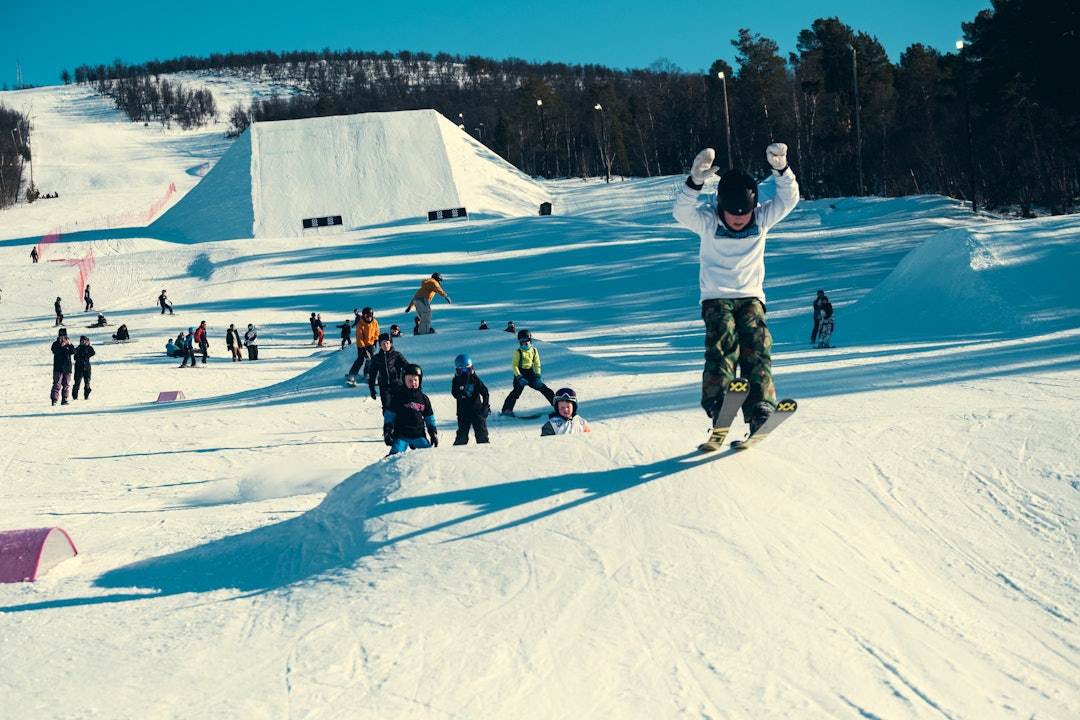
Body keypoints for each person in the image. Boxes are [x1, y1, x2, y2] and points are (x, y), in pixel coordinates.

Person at [673, 142, 800, 438]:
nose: (740, 220)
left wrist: (781, 170)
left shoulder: (762, 218)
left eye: (745, 214)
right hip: (716, 297)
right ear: (720, 206)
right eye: (732, 215)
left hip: (751, 296)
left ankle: (759, 408)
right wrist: (695, 181)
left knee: (757, 344)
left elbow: (789, 199)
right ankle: (718, 402)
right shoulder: (707, 221)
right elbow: (681, 213)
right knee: (723, 339)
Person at [383, 363, 438, 455]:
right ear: (404, 381)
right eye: (410, 380)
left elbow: (429, 417)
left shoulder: (423, 399)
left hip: (418, 435)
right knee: (394, 456)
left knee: (429, 455)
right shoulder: (398, 397)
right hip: (401, 435)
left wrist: (433, 432)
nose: (413, 383)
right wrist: (387, 430)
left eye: (415, 380)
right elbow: (389, 415)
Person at [500, 328, 556, 416]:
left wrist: (538, 376)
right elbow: (514, 366)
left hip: (530, 373)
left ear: (530, 340)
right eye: (523, 340)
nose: (525, 343)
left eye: (527, 340)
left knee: (544, 388)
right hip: (520, 374)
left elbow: (537, 364)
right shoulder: (518, 352)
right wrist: (519, 377)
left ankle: (557, 405)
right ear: (519, 341)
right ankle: (506, 410)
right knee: (516, 392)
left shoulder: (534, 350)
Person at [451, 353, 490, 445]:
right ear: (457, 370)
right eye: (462, 371)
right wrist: (461, 390)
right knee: (462, 436)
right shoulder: (456, 380)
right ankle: (457, 454)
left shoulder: (474, 379)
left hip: (477, 411)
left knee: (482, 435)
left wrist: (485, 405)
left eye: (468, 370)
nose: (465, 373)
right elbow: (454, 393)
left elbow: (485, 392)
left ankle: (486, 453)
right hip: (463, 412)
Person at [368, 332, 409, 409]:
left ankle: (399, 421)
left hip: (397, 384)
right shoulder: (377, 358)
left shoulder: (397, 355)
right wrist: (372, 389)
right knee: (386, 406)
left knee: (400, 405)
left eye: (387, 343)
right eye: (383, 344)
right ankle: (388, 421)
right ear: (380, 345)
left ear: (391, 343)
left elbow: (406, 366)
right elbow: (372, 373)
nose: (386, 345)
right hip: (384, 386)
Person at [347, 307, 379, 384]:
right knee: (360, 359)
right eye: (366, 316)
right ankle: (352, 374)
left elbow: (377, 332)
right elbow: (359, 338)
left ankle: (367, 374)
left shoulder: (374, 322)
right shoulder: (360, 324)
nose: (368, 318)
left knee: (370, 359)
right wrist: (363, 349)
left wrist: (375, 341)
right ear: (363, 316)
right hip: (362, 345)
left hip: (370, 344)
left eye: (370, 315)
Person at [50, 330, 75, 405]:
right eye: (61, 337)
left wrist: (69, 345)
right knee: (57, 384)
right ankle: (54, 399)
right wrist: (61, 346)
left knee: (66, 384)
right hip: (58, 367)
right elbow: (55, 351)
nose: (62, 338)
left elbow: (73, 352)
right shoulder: (55, 344)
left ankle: (65, 399)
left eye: (64, 337)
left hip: (67, 368)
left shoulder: (68, 344)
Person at [72, 335, 95, 400]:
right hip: (79, 367)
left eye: (84, 341)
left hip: (87, 367)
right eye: (82, 341)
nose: (83, 342)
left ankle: (86, 396)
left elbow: (92, 353)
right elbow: (75, 357)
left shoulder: (88, 348)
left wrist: (88, 346)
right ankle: (75, 396)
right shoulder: (78, 348)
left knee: (87, 382)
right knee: (77, 382)